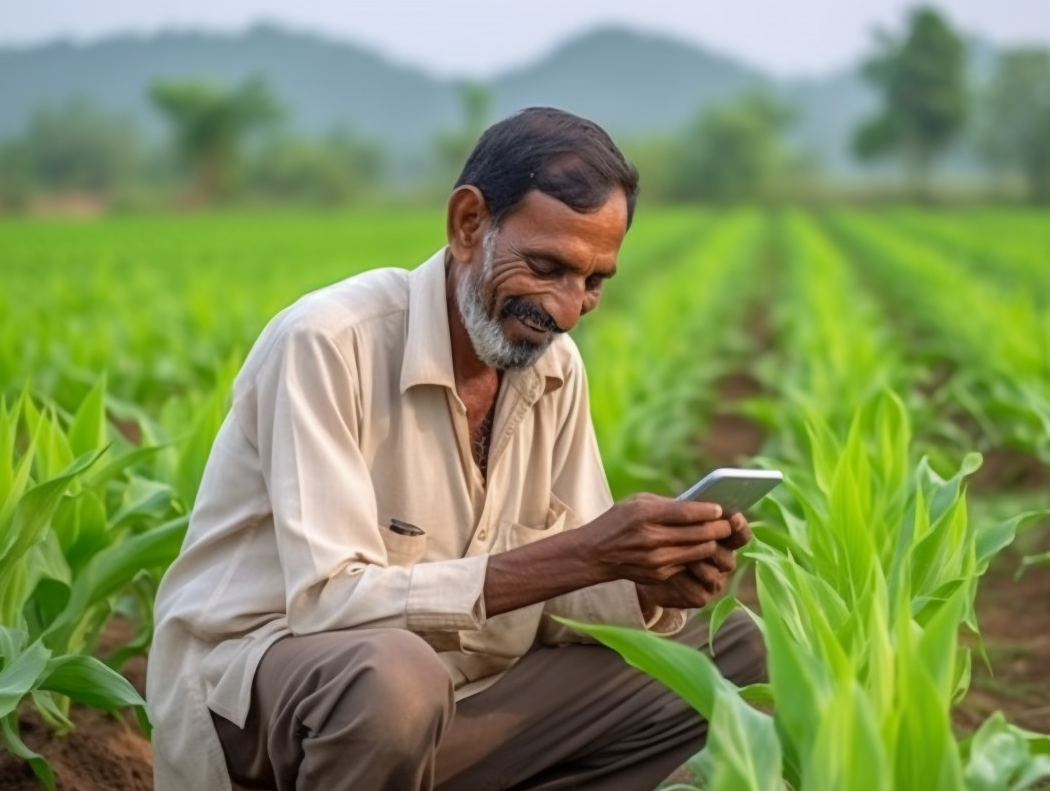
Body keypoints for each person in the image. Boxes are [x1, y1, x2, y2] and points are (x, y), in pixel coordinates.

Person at [147, 106, 764, 791]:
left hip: (458, 705)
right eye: (547, 266)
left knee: (728, 653)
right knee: (394, 685)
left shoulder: (553, 369)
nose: (565, 310)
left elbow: (557, 598)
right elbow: (328, 603)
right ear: (469, 223)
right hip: (270, 705)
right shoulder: (330, 341)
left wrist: (641, 584)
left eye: (593, 282)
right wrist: (584, 553)